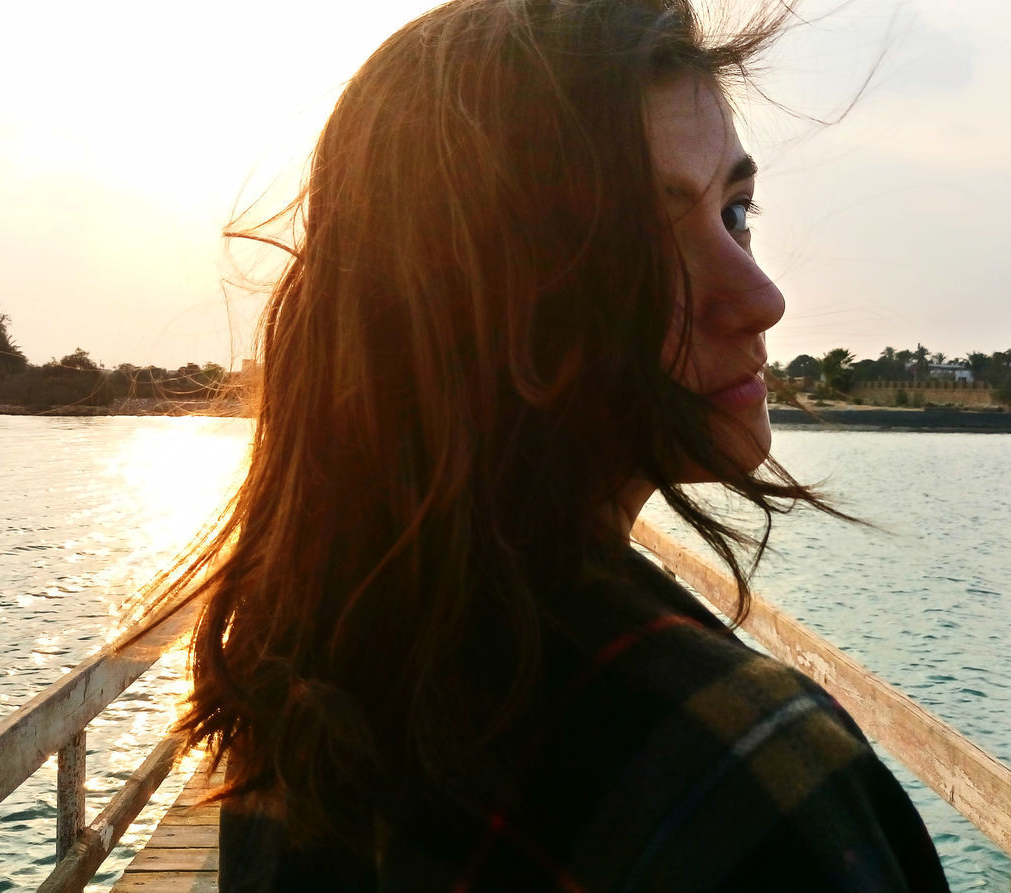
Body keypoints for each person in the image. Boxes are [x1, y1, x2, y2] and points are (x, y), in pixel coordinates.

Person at [139, 0, 952, 888]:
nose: (760, 298)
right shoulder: (739, 775)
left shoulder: (309, 675)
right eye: (643, 241)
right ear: (482, 300)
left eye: (737, 212)